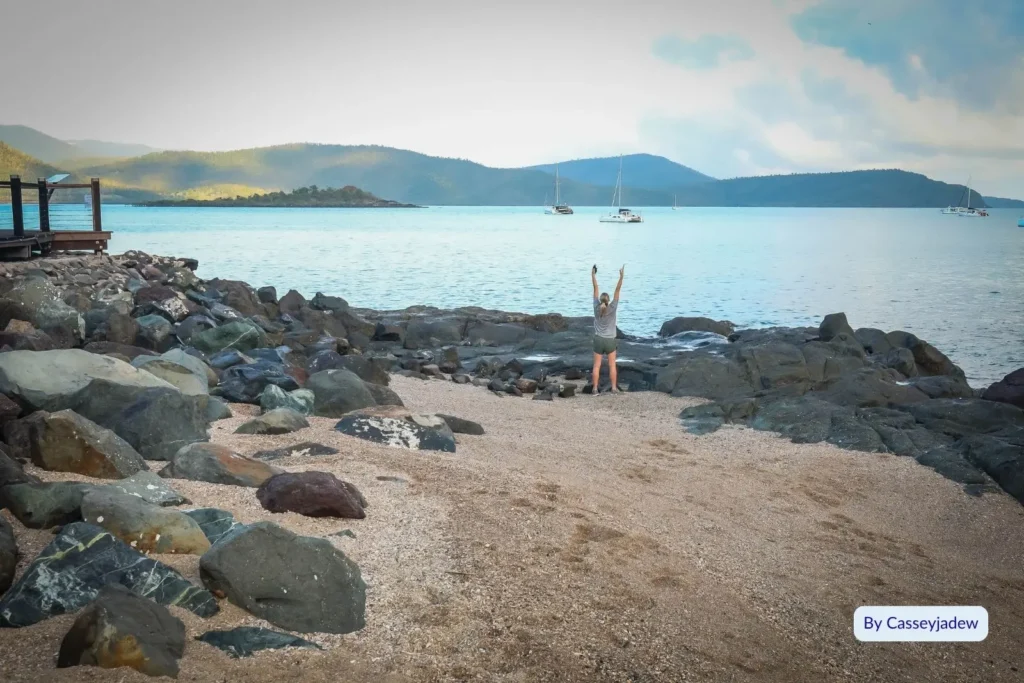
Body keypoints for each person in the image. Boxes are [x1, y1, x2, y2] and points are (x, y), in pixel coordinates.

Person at [591, 264, 624, 393]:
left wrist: (593, 275)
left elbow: (595, 287)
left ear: (600, 300)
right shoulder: (613, 307)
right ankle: (614, 388)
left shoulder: (596, 307)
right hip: (610, 340)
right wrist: (621, 277)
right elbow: (617, 290)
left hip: (599, 340)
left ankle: (594, 388)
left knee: (596, 366)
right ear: (609, 300)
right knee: (612, 366)